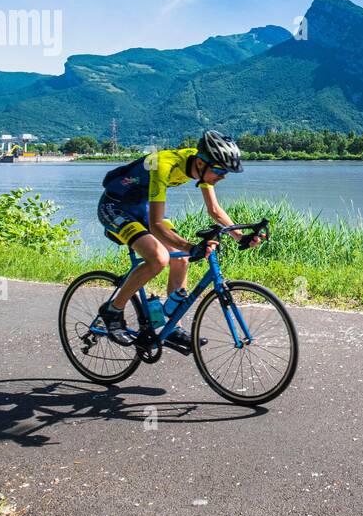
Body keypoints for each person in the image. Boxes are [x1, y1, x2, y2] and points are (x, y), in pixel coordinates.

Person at [96, 130, 260, 351]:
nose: (222, 177)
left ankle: (173, 328)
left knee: (181, 259)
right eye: (220, 171)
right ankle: (112, 310)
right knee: (158, 258)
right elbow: (156, 225)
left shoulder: (201, 166)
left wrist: (239, 235)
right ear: (201, 163)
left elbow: (214, 210)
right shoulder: (163, 165)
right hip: (115, 206)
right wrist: (191, 246)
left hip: (141, 206)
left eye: (226, 173)